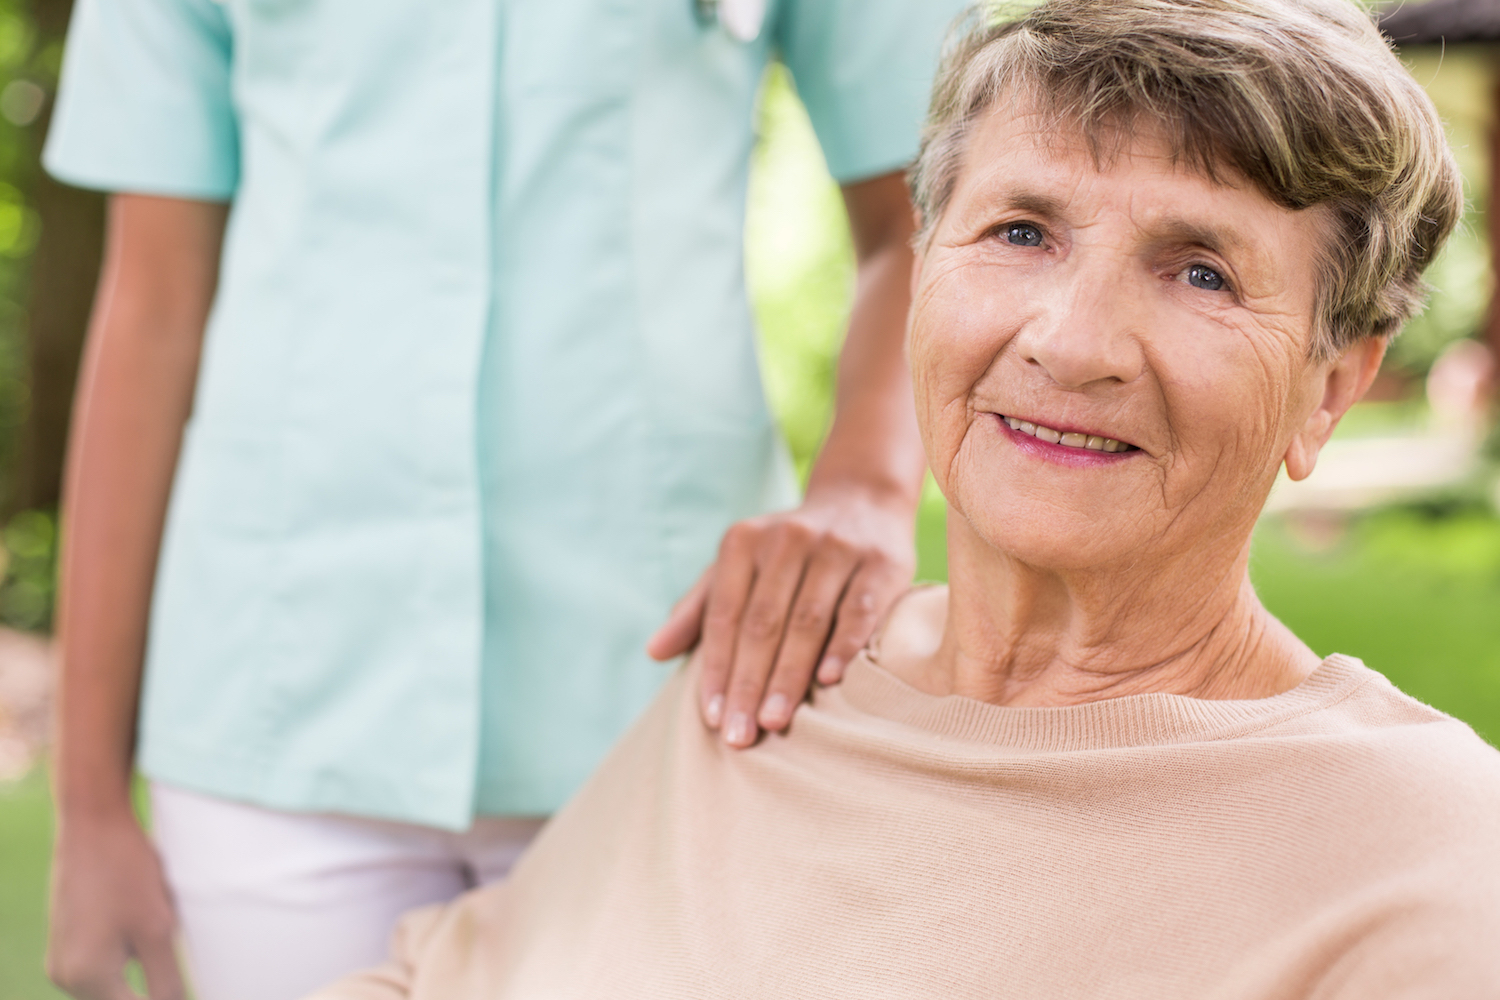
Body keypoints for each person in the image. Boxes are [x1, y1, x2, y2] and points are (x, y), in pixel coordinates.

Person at [307, 0, 1500, 996]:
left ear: (1332, 382)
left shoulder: (1422, 857)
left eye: (1201, 270)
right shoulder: (777, 669)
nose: (1074, 342)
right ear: (924, 269)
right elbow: (442, 975)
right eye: (1022, 230)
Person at [40, 0, 967, 998]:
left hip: (680, 704)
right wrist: (88, 803)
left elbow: (930, 214)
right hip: (274, 709)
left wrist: (866, 489)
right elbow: (151, 303)